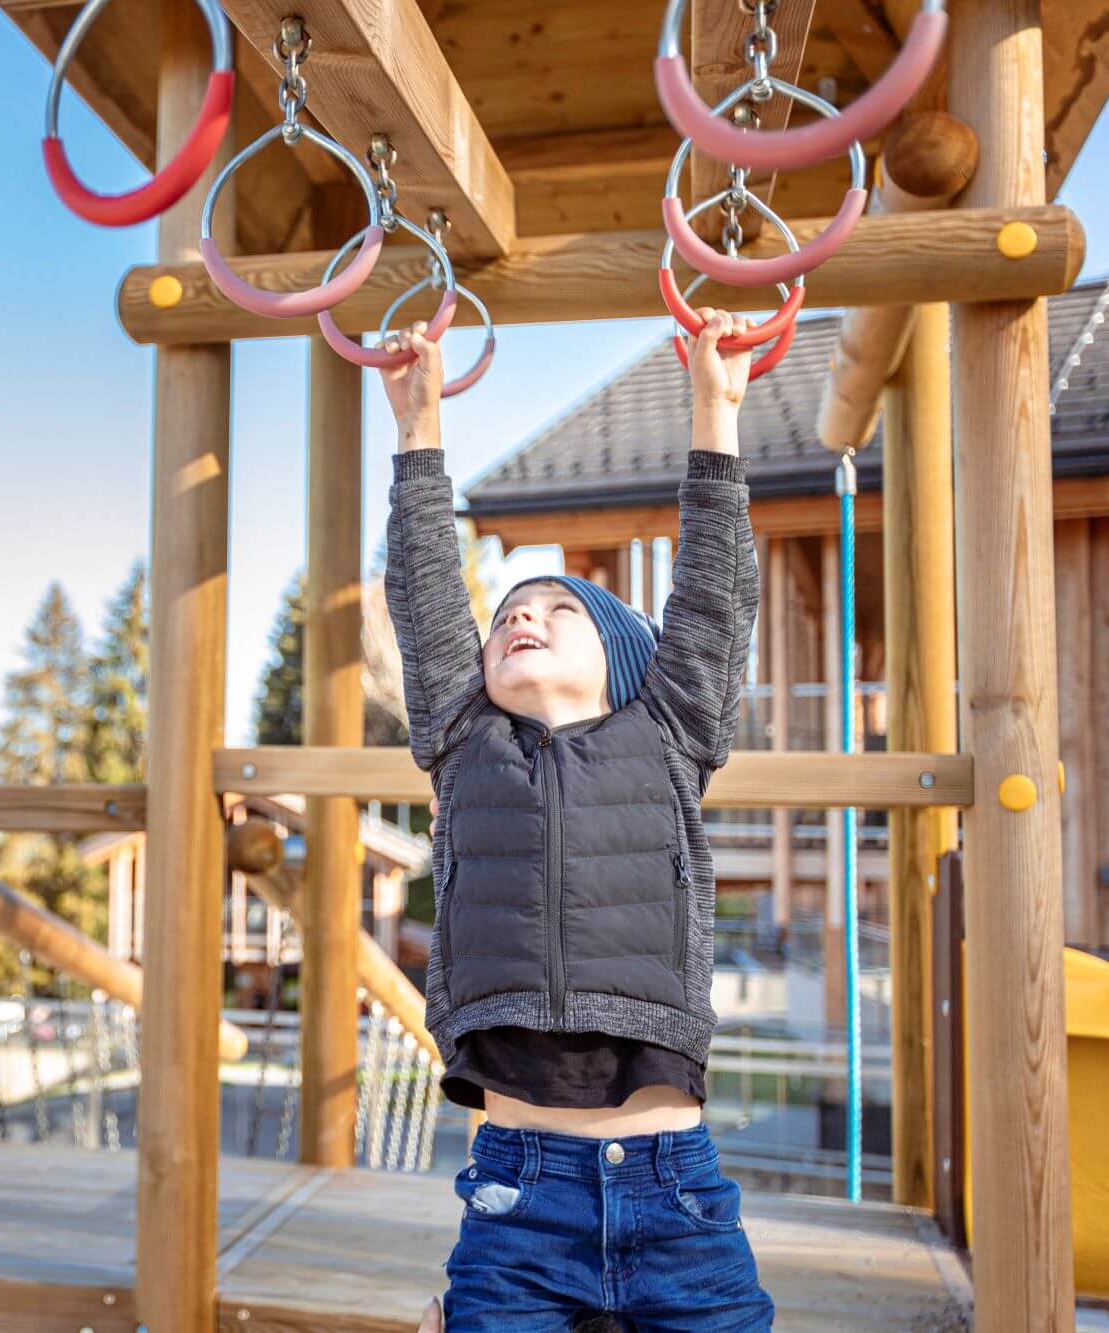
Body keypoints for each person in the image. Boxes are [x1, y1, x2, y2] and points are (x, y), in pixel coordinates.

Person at [380, 311, 773, 1331]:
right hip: (517, 1193)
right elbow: (427, 597)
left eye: (557, 611)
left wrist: (712, 411)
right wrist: (416, 434)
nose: (521, 616)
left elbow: (713, 601)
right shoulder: (463, 739)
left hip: (672, 1191)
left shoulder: (670, 728)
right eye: (509, 610)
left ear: (623, 663)